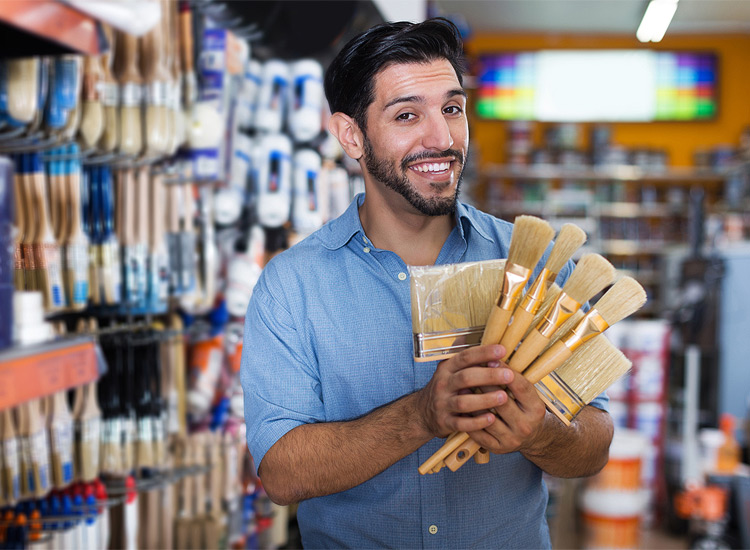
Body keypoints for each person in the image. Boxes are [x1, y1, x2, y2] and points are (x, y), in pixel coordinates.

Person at [240, 17, 613, 549]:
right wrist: (420, 415)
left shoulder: (538, 264)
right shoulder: (291, 287)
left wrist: (542, 432)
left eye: (452, 109)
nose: (441, 138)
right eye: (407, 114)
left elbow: (593, 447)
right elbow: (281, 473)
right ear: (352, 135)